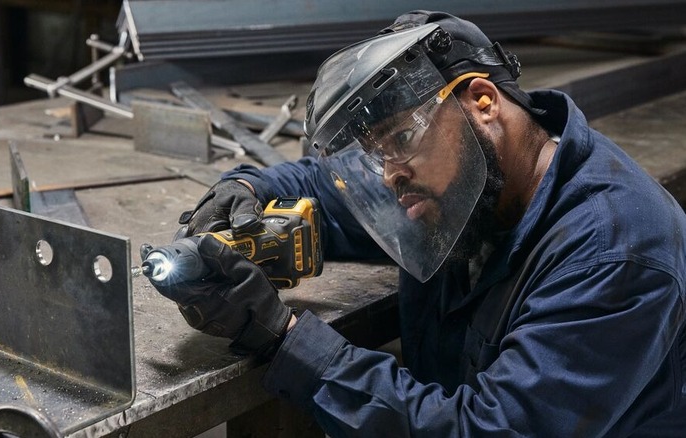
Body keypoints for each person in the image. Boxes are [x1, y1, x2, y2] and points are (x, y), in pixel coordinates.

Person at [142, 10, 686, 437]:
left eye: (402, 138)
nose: (389, 176)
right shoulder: (462, 189)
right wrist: (247, 190)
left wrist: (284, 338)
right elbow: (324, 192)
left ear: (483, 101)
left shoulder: (615, 251)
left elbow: (486, 429)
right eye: (377, 155)